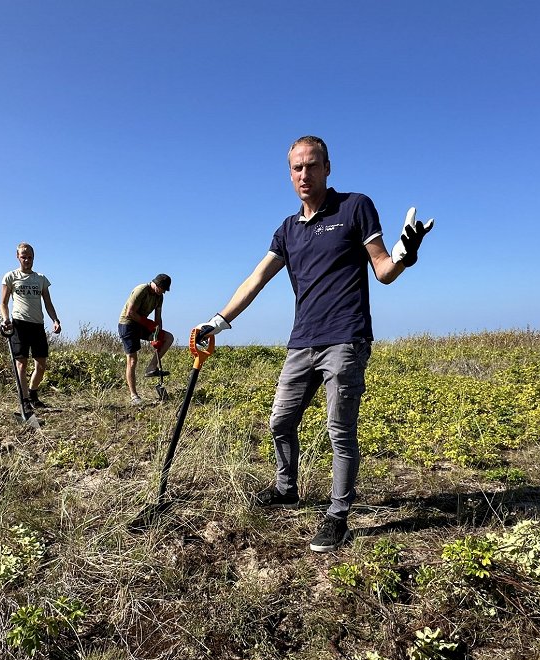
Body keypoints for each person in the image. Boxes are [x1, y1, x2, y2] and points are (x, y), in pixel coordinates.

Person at [193, 136, 433, 553]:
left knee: (340, 431)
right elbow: (256, 279)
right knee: (280, 421)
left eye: (312, 165)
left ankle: (338, 517)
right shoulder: (287, 229)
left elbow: (383, 270)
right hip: (301, 342)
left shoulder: (355, 207)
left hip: (345, 338)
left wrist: (404, 255)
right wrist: (219, 320)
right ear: (290, 174)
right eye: (297, 168)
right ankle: (287, 489)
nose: (305, 174)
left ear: (327, 168)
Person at [0, 242, 62, 408]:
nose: (27, 260)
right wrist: (6, 319)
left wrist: (55, 320)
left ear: (33, 258)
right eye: (23, 257)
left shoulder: (40, 279)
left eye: (30, 257)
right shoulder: (10, 277)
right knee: (21, 364)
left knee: (41, 365)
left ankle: (33, 394)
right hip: (19, 324)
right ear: (17, 257)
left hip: (37, 325)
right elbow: (3, 303)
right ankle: (25, 400)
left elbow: (48, 302)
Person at [119, 274, 175, 406]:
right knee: (132, 360)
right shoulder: (141, 290)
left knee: (168, 338)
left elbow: (158, 318)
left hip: (142, 325)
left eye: (165, 290)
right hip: (127, 324)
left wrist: (157, 335)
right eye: (161, 288)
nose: (162, 292)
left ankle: (151, 367)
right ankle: (134, 396)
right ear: (155, 284)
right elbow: (130, 313)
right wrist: (149, 324)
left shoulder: (159, 296)